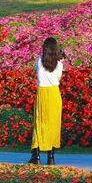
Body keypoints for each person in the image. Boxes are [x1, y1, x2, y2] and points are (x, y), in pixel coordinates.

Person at [29, 37, 63, 166]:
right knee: (53, 126)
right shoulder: (59, 65)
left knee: (39, 124)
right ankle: (51, 156)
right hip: (54, 94)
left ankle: (36, 156)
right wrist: (60, 59)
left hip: (42, 94)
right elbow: (58, 78)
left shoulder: (39, 61)